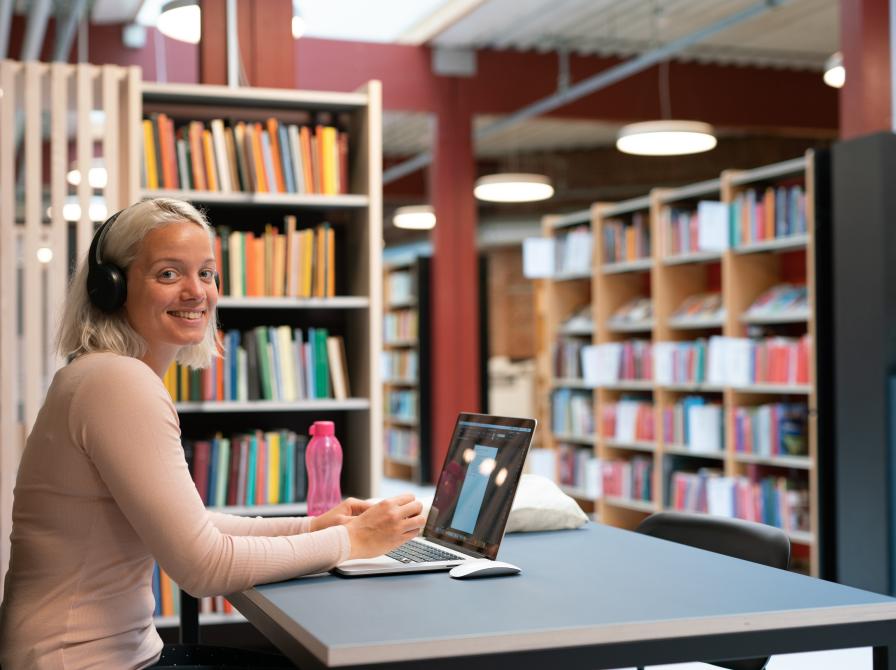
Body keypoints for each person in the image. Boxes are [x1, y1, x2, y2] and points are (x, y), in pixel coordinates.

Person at [0, 198, 426, 669]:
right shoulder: (117, 383)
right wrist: (353, 542)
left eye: (206, 273)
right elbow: (204, 566)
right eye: (168, 273)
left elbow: (194, 526)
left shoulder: (100, 374)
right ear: (111, 287)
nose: (196, 291)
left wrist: (317, 526)